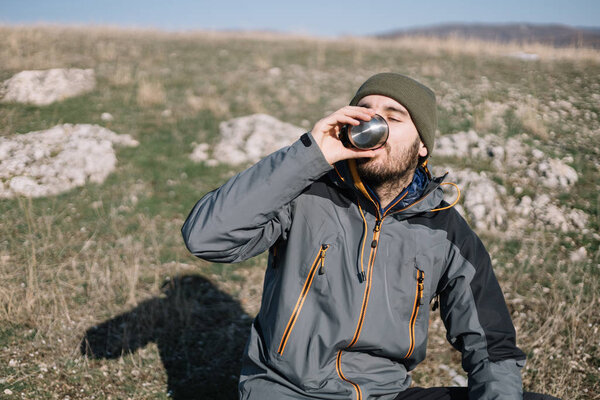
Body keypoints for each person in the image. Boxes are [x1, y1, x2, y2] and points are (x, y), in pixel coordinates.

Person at [182, 73, 558, 400]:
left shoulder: (444, 228)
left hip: (386, 395)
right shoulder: (306, 194)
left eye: (393, 117)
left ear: (422, 145)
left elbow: (490, 343)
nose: (374, 122)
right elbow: (207, 238)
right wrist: (310, 155)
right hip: (290, 390)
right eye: (365, 112)